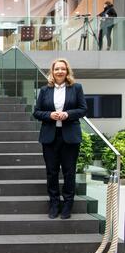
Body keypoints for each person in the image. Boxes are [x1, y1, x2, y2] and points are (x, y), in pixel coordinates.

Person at [33, 58, 87, 220]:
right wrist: (49, 115)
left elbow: (83, 109)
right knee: (52, 172)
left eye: (63, 69)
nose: (60, 72)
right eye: (57, 69)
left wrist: (67, 114)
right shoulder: (44, 90)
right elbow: (36, 112)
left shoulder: (76, 88)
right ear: (52, 71)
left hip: (70, 137)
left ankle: (68, 204)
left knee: (69, 172)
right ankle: (54, 204)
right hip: (50, 137)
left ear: (67, 71)